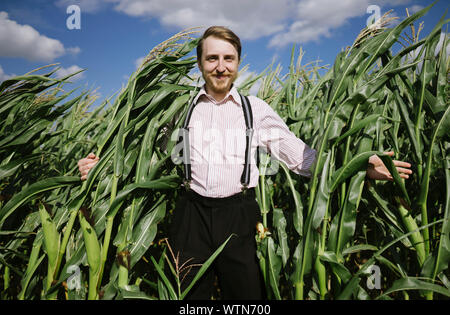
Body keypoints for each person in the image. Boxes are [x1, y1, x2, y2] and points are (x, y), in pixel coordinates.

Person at [78, 26, 413, 300]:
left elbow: (302, 159)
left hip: (239, 215)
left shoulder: (256, 110)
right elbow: (143, 161)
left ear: (238, 63)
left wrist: (358, 168)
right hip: (190, 215)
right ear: (200, 64)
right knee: (187, 296)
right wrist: (99, 172)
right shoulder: (180, 109)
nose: (220, 66)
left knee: (247, 299)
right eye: (212, 58)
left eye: (228, 58)